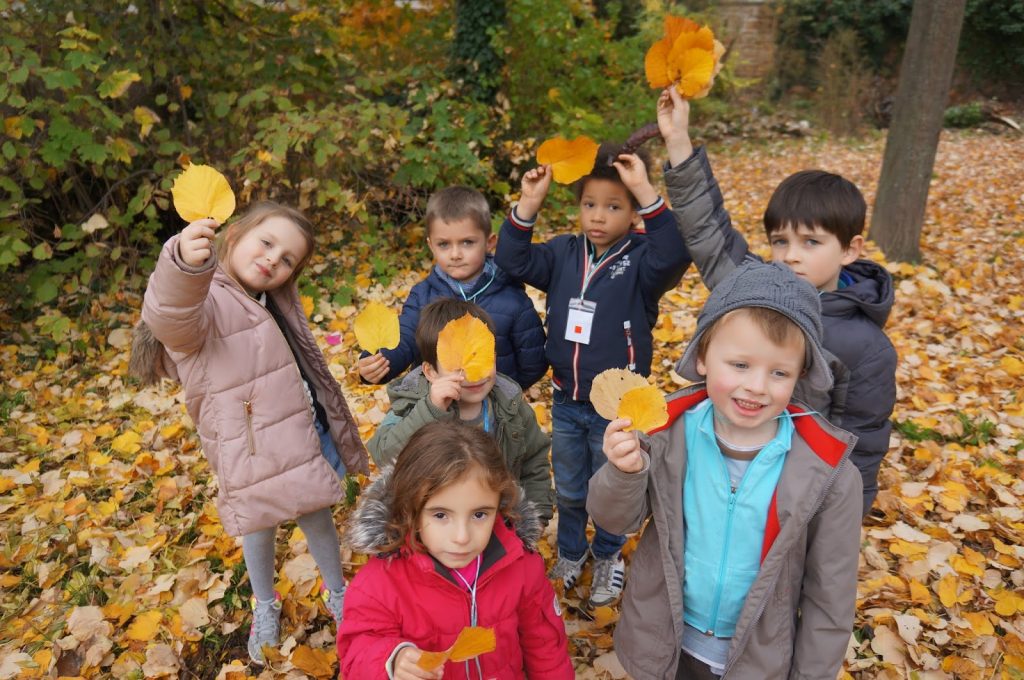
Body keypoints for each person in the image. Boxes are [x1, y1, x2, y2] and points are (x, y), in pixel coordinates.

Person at [589, 261, 862, 679]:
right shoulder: (664, 434)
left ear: (801, 375)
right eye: (740, 365)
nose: (756, 386)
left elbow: (830, 597)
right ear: (702, 357)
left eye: (779, 372)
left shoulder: (828, 474)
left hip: (757, 660)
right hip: (664, 641)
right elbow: (613, 519)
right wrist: (625, 473)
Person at [135, 201, 369, 664]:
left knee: (316, 512)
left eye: (287, 259)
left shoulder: (273, 299)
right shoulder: (204, 297)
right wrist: (184, 264)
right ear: (236, 233)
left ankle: (338, 591)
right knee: (259, 525)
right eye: (266, 243)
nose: (272, 260)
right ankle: (265, 603)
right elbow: (170, 315)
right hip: (250, 445)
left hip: (297, 430)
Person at [658, 86, 897, 517]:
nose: (790, 255)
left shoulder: (865, 346)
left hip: (794, 499)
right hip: (721, 477)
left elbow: (861, 442)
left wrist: (841, 522)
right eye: (780, 241)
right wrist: (678, 142)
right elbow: (709, 233)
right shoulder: (753, 292)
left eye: (810, 242)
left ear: (850, 249)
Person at [495, 142, 691, 607]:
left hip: (617, 410)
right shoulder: (563, 253)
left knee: (612, 490)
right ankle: (570, 551)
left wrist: (644, 188)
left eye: (614, 206)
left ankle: (607, 554)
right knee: (570, 487)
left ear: (634, 213)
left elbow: (675, 254)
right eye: (589, 204)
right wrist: (529, 203)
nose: (598, 216)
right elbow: (512, 260)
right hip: (566, 400)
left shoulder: (642, 260)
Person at [338, 421, 574, 679]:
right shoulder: (379, 584)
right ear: (410, 509)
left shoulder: (521, 566)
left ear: (499, 505)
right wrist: (392, 660)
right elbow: (357, 652)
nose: (462, 537)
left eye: (480, 514)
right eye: (440, 515)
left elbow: (546, 647)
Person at [367, 298, 554, 525]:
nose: (473, 376)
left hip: (497, 521)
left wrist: (535, 517)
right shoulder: (412, 405)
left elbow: (534, 463)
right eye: (457, 366)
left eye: (481, 358)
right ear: (430, 372)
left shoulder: (510, 406)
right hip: (436, 525)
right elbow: (384, 455)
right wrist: (430, 410)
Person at [357, 186, 547, 390]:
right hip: (436, 402)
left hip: (492, 401)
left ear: (489, 242)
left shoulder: (512, 298)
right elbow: (405, 337)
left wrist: (505, 393)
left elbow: (532, 361)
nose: (455, 254)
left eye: (467, 242)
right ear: (431, 245)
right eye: (444, 245)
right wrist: (381, 361)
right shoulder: (423, 295)